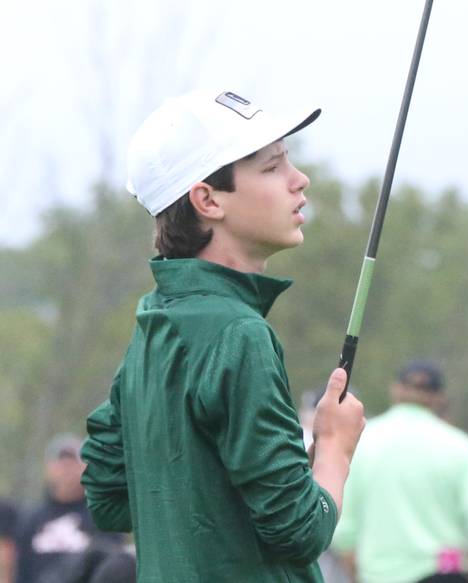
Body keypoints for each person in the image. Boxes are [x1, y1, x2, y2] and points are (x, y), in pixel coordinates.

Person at [80, 89, 366, 582]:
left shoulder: (153, 321)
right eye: (272, 167)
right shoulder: (240, 335)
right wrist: (335, 450)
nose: (300, 180)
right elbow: (300, 532)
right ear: (207, 200)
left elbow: (110, 497)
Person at [332, 360, 468, 583]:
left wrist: (355, 574)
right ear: (439, 397)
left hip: (380, 575)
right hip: (443, 572)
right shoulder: (459, 446)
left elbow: (344, 528)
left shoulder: (363, 442)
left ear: (395, 389)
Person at [15, 434, 121, 583]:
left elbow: (113, 566)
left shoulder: (102, 515)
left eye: (72, 464)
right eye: (61, 464)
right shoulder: (32, 519)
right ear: (49, 469)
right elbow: (21, 571)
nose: (67, 471)